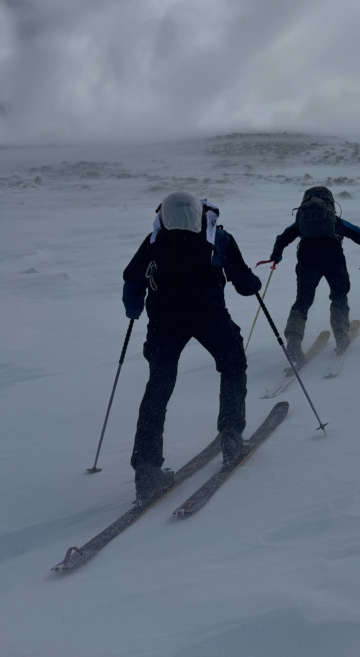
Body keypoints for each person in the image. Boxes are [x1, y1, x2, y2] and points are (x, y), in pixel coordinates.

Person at [122, 192, 263, 504]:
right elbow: (242, 283)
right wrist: (254, 284)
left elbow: (132, 280)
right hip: (209, 316)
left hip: (164, 323)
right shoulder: (219, 237)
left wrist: (133, 309)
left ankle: (146, 469)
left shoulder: (154, 241)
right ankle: (231, 436)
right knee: (233, 365)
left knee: (158, 387)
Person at [269, 186, 360, 365]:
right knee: (339, 296)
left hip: (307, 261)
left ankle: (294, 341)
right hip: (333, 260)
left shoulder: (300, 221)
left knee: (302, 303)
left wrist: (275, 257)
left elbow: (281, 239)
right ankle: (341, 335)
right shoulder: (335, 221)